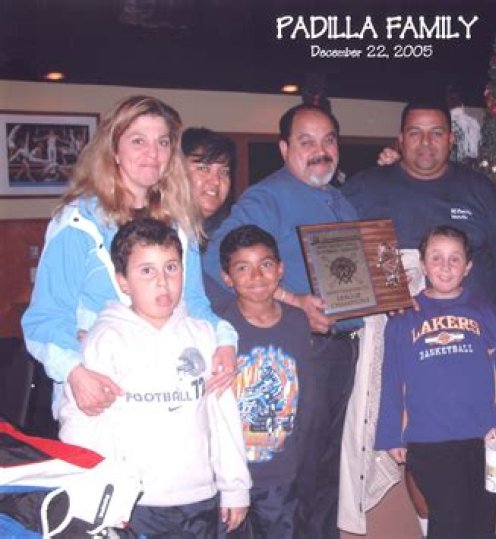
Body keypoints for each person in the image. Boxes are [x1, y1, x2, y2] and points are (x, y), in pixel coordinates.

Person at [338, 102, 496, 534]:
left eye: (436, 132)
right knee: (424, 458)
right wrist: (384, 289)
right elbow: (337, 248)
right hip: (399, 334)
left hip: (476, 348)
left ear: (451, 139)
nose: (426, 142)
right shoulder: (367, 186)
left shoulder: (478, 189)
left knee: (477, 486)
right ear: (400, 139)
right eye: (415, 133)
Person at [22, 95, 237, 421]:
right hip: (102, 395)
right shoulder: (78, 224)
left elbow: (194, 304)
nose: (153, 153)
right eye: (138, 141)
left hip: (168, 394)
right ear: (114, 150)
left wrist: (224, 341)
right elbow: (45, 319)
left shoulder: (179, 224)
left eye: (162, 142)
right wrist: (75, 372)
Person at [202, 103, 361, 539]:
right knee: (302, 475)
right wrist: (292, 301)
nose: (320, 150)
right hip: (302, 352)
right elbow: (215, 264)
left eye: (328, 140)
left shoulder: (341, 200)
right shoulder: (266, 197)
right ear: (284, 148)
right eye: (306, 142)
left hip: (343, 351)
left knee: (328, 470)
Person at [58, 218, 251, 537]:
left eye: (171, 268)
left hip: (199, 500)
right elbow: (80, 423)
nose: (163, 282)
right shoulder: (104, 339)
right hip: (132, 503)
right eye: (147, 271)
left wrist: (235, 488)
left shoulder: (204, 335)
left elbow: (224, 418)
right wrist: (90, 495)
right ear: (122, 281)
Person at [375, 225, 496, 539]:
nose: (445, 266)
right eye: (436, 258)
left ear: (468, 267)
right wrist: (390, 434)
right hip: (430, 440)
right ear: (423, 265)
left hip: (484, 436)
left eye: (454, 259)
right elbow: (391, 379)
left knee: (481, 522)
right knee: (450, 520)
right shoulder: (403, 318)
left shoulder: (486, 313)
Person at [217, 224, 316, 539]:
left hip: (282, 475)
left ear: (280, 269)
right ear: (227, 278)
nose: (257, 276)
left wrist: (300, 458)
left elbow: (305, 393)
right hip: (229, 475)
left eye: (266, 264)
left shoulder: (297, 321)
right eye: (243, 268)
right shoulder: (218, 329)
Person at [181, 127, 237, 309]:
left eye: (224, 171)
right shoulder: (157, 230)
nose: (215, 181)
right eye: (203, 168)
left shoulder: (233, 231)